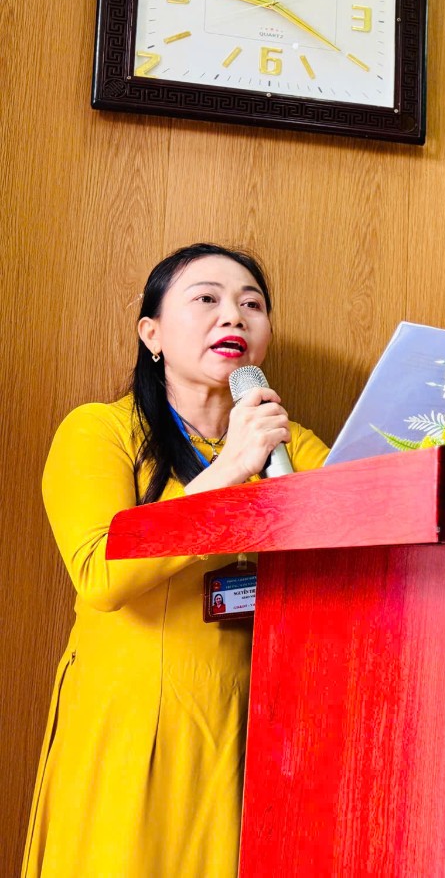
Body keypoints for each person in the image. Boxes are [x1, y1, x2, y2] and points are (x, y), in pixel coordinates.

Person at [23, 243, 329, 878]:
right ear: (152, 334)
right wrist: (229, 470)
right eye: (206, 299)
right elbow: (102, 574)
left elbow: (363, 538)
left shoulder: (288, 444)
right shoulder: (99, 431)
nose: (234, 315)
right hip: (135, 724)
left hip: (255, 725)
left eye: (252, 304)